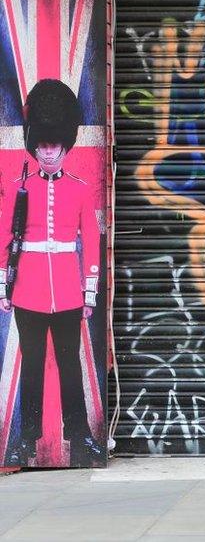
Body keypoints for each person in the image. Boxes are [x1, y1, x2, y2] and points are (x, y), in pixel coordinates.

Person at [0, 79, 103, 466]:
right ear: (35, 145)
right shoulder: (18, 188)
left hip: (67, 290)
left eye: (53, 145)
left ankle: (80, 438)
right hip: (28, 289)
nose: (47, 151)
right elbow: (4, 239)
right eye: (42, 145)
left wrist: (88, 292)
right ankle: (28, 440)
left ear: (64, 145)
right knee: (32, 368)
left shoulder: (79, 188)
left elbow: (89, 243)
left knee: (69, 366)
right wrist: (3, 288)